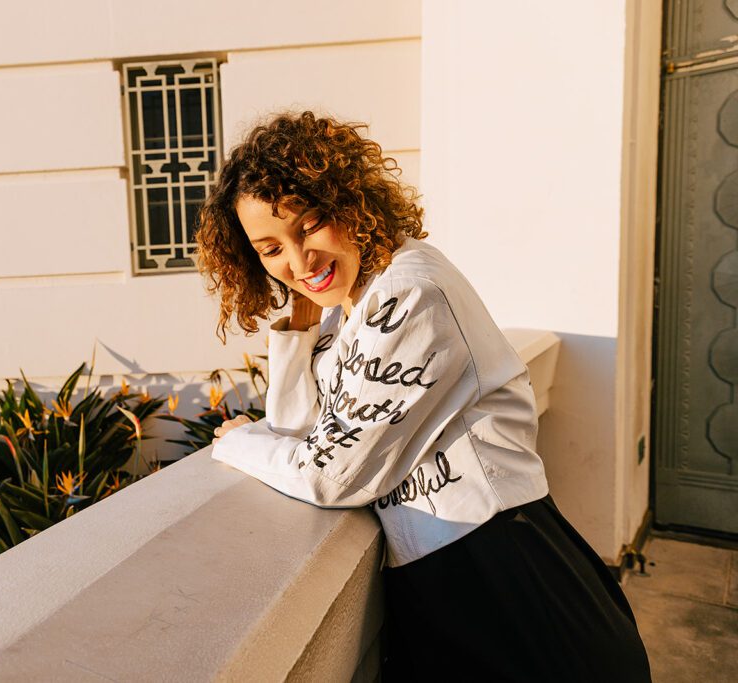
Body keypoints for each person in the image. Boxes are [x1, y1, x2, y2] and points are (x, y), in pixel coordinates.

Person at [194, 111, 651, 682]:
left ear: (349, 201)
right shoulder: (351, 306)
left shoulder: (407, 291)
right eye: (270, 249)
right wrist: (299, 324)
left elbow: (330, 476)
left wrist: (236, 443)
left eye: (309, 225)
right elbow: (299, 433)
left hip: (503, 573)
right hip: (443, 578)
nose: (297, 260)